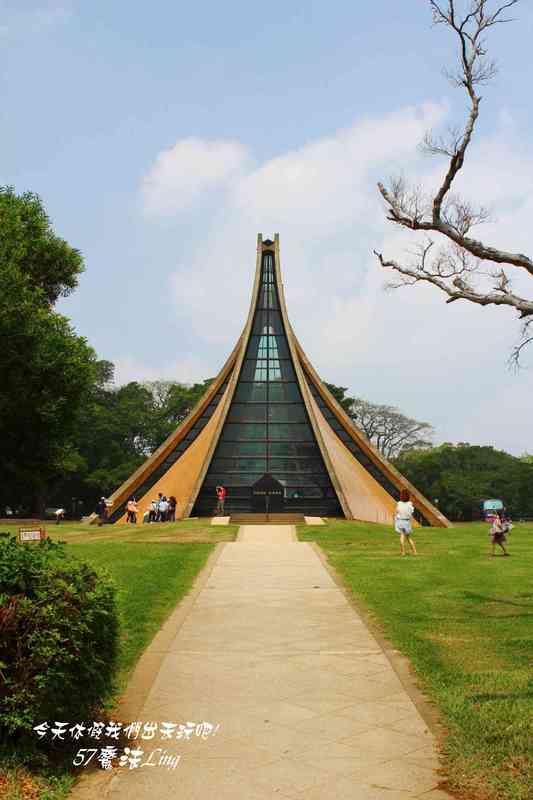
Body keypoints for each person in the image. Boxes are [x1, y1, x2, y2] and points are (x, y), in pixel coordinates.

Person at [395, 488, 417, 556]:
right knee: (408, 537)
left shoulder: (399, 503)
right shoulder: (410, 504)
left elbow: (396, 512)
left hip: (400, 521)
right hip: (407, 522)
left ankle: (403, 552)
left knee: (402, 537)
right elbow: (411, 513)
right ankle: (415, 552)